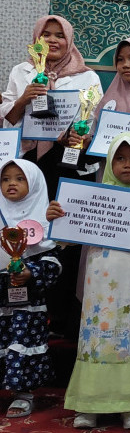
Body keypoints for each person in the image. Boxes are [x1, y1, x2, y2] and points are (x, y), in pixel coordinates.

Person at [49, 133, 130, 429]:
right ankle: (89, 404)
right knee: (97, 341)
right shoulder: (94, 195)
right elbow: (63, 239)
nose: (126, 165)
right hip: (100, 287)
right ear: (109, 162)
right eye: (120, 158)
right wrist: (56, 217)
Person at [0, 15, 102, 340]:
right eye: (47, 34)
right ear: (37, 39)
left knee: (65, 235)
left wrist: (79, 135)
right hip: (28, 163)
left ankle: (65, 316)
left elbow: (95, 124)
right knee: (31, 234)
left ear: (69, 40)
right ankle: (27, 307)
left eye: (60, 35)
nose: (54, 40)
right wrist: (24, 98)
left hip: (69, 164)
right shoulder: (22, 71)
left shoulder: (87, 76)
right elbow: (7, 123)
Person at [0, 159, 61, 418]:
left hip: (28, 304)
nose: (11, 183)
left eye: (19, 178)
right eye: (5, 179)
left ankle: (23, 394)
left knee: (23, 341)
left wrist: (31, 273)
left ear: (34, 184)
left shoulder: (45, 221)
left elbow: (53, 264)